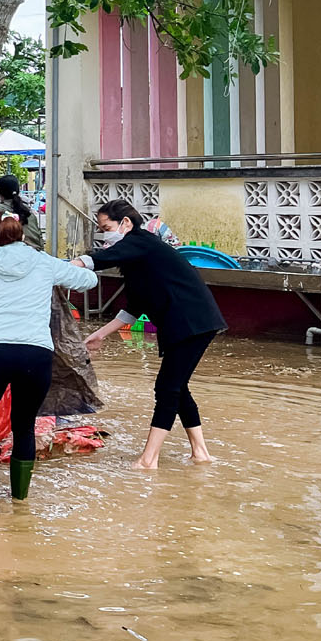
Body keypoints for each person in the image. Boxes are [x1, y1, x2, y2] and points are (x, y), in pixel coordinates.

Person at [0, 213, 101, 506]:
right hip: (36, 355)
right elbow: (88, 281)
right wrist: (78, 263)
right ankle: (19, 504)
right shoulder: (43, 262)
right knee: (24, 426)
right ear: (22, 236)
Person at [73, 199, 225, 469]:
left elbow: (101, 258)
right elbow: (134, 308)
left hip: (191, 323)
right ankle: (200, 453)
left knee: (166, 388)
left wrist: (73, 265)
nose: (105, 235)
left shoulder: (141, 242)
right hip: (187, 324)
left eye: (106, 228)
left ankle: (148, 460)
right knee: (177, 388)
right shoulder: (137, 259)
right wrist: (100, 335)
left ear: (126, 223)